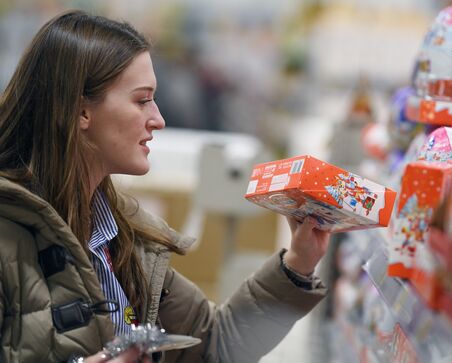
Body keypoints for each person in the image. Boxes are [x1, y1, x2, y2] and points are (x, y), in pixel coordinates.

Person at [0, 10, 330, 363]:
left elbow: (214, 344)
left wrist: (298, 262)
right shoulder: (9, 239)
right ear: (81, 111)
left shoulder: (121, 238)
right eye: (142, 100)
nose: (158, 119)